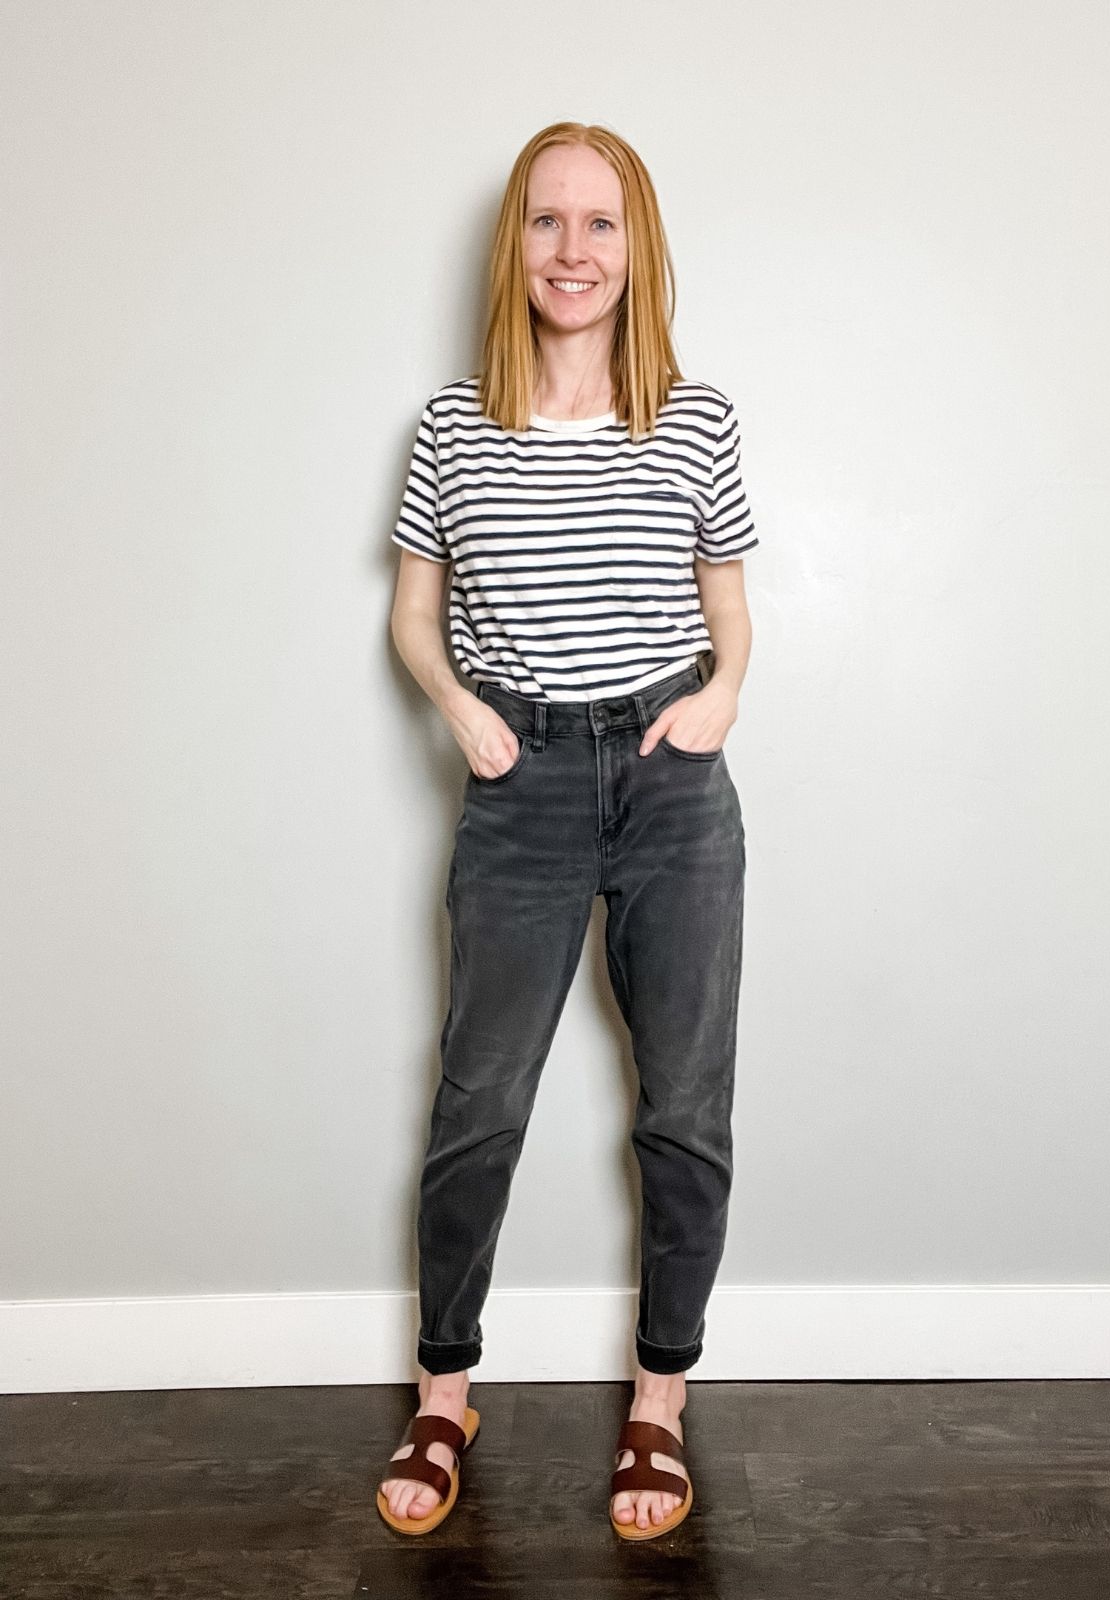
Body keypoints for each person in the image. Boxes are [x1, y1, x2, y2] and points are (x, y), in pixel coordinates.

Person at [377, 120, 758, 1542]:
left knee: (685, 1108)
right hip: (518, 780)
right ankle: (444, 1388)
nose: (574, 252)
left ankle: (658, 1403)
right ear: (515, 246)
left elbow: (728, 599)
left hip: (670, 783)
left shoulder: (698, 416)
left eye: (601, 225)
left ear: (637, 247)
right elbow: (414, 612)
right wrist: (457, 705)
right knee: (480, 1103)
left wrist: (724, 694)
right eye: (548, 223)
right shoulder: (453, 424)